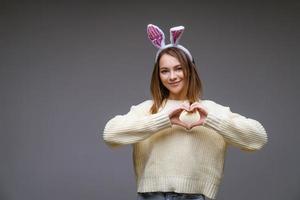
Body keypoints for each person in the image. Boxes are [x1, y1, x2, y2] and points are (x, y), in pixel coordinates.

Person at [102, 24, 268, 200]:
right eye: (164, 71)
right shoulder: (148, 109)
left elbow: (258, 139)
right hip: (151, 196)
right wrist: (164, 119)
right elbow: (110, 135)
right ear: (158, 76)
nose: (172, 76)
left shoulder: (210, 110)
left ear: (190, 70)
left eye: (179, 68)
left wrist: (211, 120)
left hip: (195, 197)